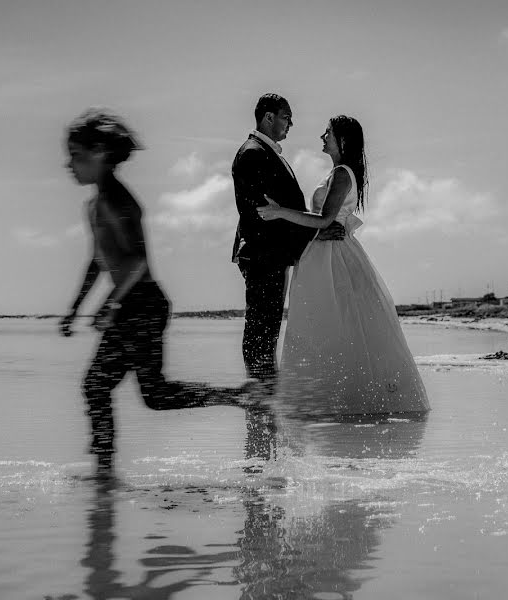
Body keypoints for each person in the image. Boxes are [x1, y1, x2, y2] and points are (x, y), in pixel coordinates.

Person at [60, 108, 241, 470]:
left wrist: (110, 304)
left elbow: (137, 262)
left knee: (147, 394)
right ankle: (104, 471)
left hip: (142, 305)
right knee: (110, 388)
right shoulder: (95, 204)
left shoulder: (118, 201)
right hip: (130, 305)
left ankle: (238, 396)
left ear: (99, 154)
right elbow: (99, 262)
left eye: (75, 156)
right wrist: (76, 308)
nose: (69, 165)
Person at [257, 115, 430, 416]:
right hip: (325, 252)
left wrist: (279, 212)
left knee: (331, 324)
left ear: (343, 141)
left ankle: (334, 405)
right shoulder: (339, 172)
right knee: (328, 325)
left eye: (328, 133)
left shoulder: (341, 174)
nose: (322, 137)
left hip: (332, 256)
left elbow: (324, 220)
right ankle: (329, 403)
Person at [231, 93, 344, 389]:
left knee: (265, 332)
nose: (291, 123)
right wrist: (316, 231)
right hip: (262, 255)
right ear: (269, 117)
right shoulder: (253, 153)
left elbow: (278, 210)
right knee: (261, 333)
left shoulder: (268, 153)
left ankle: (263, 404)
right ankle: (260, 404)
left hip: (271, 255)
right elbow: (261, 214)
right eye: (287, 117)